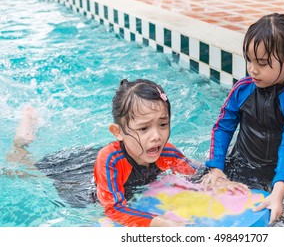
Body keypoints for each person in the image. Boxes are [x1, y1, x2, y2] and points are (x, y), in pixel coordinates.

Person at [6, 79, 201, 227]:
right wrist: (158, 223)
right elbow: (114, 208)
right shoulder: (111, 160)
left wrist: (218, 180)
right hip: (80, 178)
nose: (157, 136)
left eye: (163, 124)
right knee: (24, 170)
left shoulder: (166, 152)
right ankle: (22, 138)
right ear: (118, 132)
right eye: (144, 129)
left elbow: (199, 175)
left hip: (107, 171)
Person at [200, 13, 284, 225]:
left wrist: (279, 192)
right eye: (249, 60)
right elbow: (222, 128)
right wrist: (216, 168)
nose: (252, 69)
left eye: (262, 63)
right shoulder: (242, 89)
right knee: (207, 183)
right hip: (246, 159)